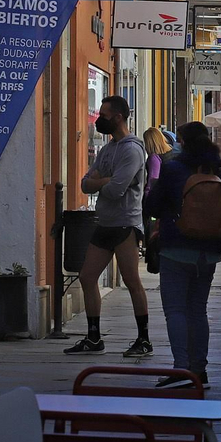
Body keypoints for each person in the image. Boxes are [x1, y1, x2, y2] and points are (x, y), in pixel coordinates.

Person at [65, 95, 153, 358]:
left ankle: (144, 339)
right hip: (104, 223)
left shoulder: (132, 150)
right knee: (87, 277)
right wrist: (104, 180)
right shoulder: (106, 149)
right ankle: (93, 338)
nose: (98, 119)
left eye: (103, 115)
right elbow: (83, 183)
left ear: (118, 117)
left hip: (125, 224)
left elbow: (116, 190)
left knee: (132, 282)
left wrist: (100, 181)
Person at [142, 122, 221, 388]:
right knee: (198, 310)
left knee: (176, 310)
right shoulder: (218, 172)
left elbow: (153, 205)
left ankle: (181, 369)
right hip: (210, 251)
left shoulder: (173, 168)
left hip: (177, 248)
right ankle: (199, 371)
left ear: (183, 142)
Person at [142, 126, 172, 197]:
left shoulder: (154, 159)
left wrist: (147, 197)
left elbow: (152, 181)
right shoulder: (170, 152)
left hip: (158, 196)